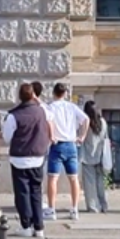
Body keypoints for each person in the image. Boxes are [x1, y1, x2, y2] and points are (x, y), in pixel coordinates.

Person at [3, 83, 53, 238]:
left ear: (19, 96)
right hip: (37, 157)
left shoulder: (13, 115)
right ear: (33, 95)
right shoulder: (42, 111)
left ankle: (26, 225)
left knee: (22, 194)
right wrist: (38, 101)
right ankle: (39, 228)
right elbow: (51, 118)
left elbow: (7, 137)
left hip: (19, 158)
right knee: (36, 193)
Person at [44, 83, 89, 221]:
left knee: (53, 178)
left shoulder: (50, 107)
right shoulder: (72, 107)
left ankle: (51, 210)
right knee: (74, 178)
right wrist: (82, 136)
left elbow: (48, 122)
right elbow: (86, 119)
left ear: (54, 93)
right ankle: (74, 209)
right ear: (65, 93)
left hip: (57, 144)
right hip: (71, 144)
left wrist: (51, 136)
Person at [80, 101, 109, 213]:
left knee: (89, 183)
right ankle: (103, 204)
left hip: (87, 156)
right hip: (100, 155)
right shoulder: (103, 122)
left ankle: (93, 206)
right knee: (100, 182)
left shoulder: (85, 123)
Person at [31, 81, 54, 210]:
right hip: (40, 145)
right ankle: (36, 200)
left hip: (37, 146)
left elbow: (49, 121)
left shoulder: (42, 108)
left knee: (37, 175)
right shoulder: (44, 108)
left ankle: (36, 200)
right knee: (37, 175)